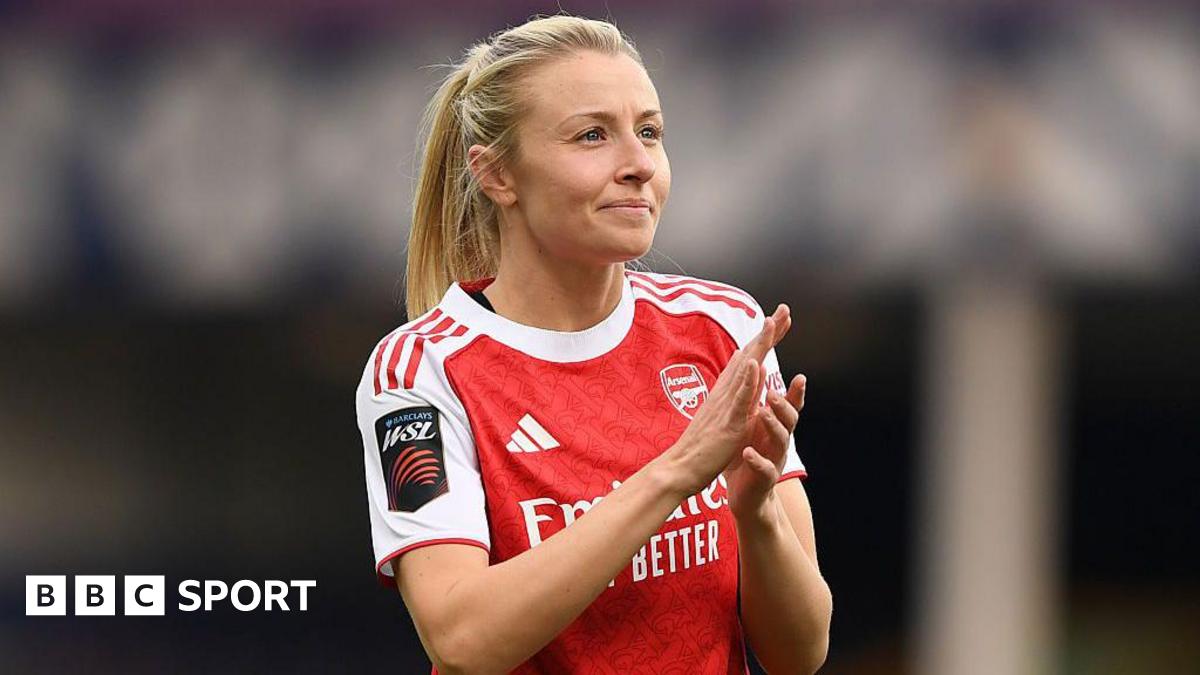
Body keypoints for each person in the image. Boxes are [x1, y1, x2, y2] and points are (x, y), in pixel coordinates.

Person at [355, 14, 832, 675]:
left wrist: (754, 512)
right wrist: (673, 474)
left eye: (649, 133)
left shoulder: (722, 327)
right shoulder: (420, 370)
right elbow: (461, 639)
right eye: (592, 136)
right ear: (497, 176)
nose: (637, 165)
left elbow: (800, 654)